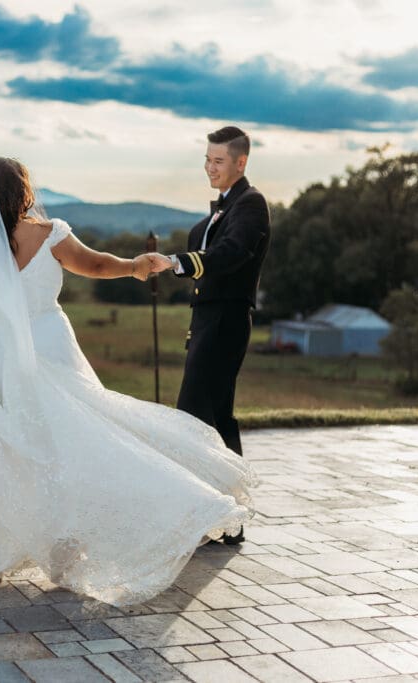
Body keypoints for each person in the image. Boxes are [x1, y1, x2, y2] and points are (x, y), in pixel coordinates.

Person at [0, 157, 254, 606]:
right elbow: (95, 266)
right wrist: (134, 266)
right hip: (48, 346)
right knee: (71, 442)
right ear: (23, 192)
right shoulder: (48, 233)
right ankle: (69, 547)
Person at [166, 126, 272, 546]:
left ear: (240, 163)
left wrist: (177, 262)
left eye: (218, 161)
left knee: (193, 416)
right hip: (208, 321)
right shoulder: (222, 211)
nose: (209, 167)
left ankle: (207, 514)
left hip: (227, 320)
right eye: (207, 159)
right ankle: (230, 518)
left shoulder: (252, 204)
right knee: (216, 418)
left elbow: (230, 255)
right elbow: (211, 249)